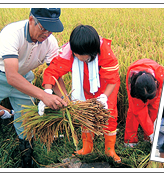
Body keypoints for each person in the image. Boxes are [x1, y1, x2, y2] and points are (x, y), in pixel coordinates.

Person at [0, 8, 66, 168]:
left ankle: (27, 164)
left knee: (26, 124)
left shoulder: (50, 43)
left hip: (23, 79)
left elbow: (55, 74)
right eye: (43, 28)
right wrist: (44, 96)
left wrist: (65, 99)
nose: (47, 34)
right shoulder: (12, 33)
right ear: (31, 20)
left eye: (51, 30)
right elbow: (11, 76)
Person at [41, 24, 121, 162]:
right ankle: (87, 147)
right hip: (84, 87)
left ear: (93, 52)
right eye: (76, 54)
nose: (77, 57)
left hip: (107, 87)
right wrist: (47, 92)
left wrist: (104, 97)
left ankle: (110, 150)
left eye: (81, 56)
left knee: (110, 114)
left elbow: (113, 80)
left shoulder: (105, 52)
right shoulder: (70, 51)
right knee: (84, 113)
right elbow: (52, 71)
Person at [124, 59, 164, 147]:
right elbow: (139, 112)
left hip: (155, 90)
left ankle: (148, 138)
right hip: (138, 86)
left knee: (155, 110)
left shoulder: (160, 74)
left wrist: (152, 133)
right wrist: (151, 132)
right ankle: (130, 140)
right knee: (134, 112)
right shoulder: (132, 84)